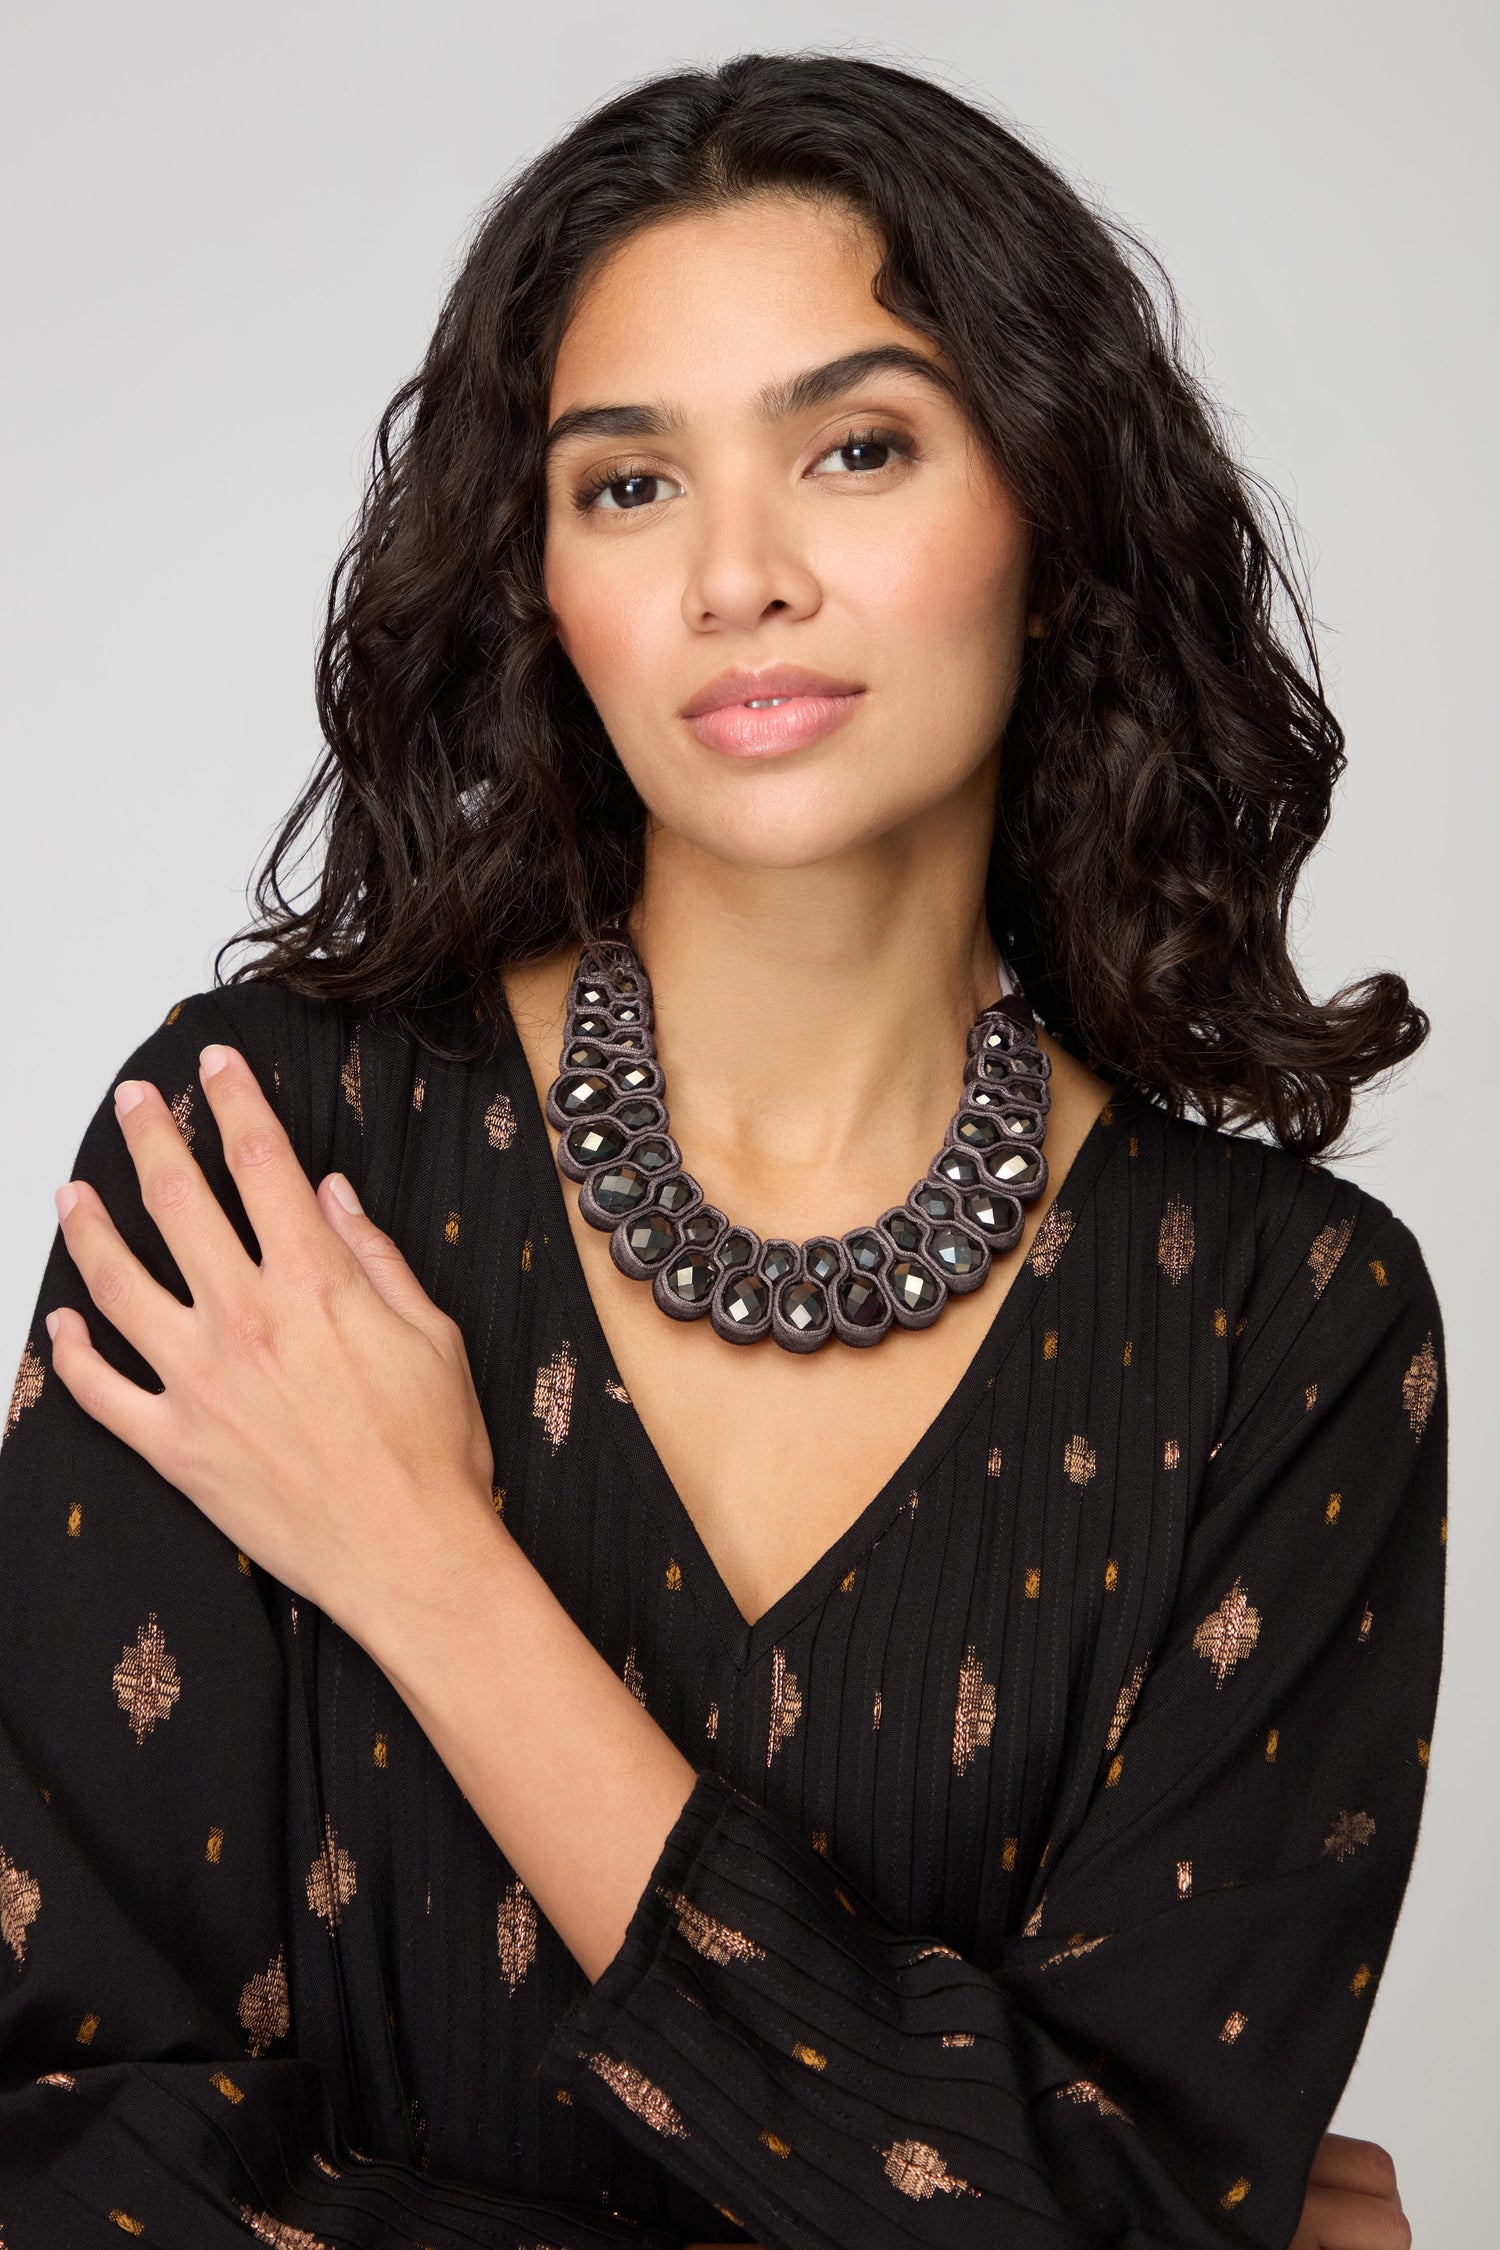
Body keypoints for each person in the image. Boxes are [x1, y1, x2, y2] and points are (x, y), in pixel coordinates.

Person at [0, 51, 1439, 2250]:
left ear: (1052, 526)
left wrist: (427, 1572)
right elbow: (55, 2162)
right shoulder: (260, 1162)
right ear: (541, 582)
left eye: (857, 448)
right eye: (626, 486)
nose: (737, 577)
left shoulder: (1291, 1329)